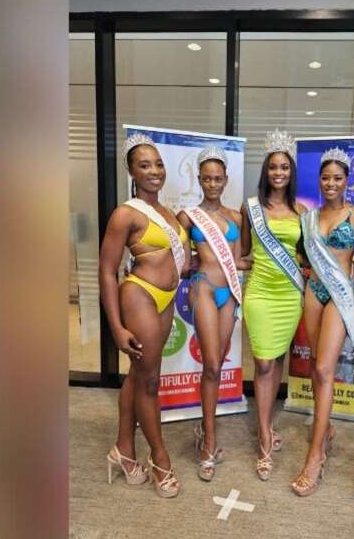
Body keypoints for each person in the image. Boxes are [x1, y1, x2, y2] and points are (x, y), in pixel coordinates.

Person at [99, 133, 191, 498]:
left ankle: (123, 449)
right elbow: (107, 271)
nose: (154, 171)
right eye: (145, 165)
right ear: (131, 171)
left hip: (167, 299)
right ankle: (160, 459)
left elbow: (178, 259)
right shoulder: (125, 213)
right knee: (150, 381)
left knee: (139, 375)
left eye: (158, 164)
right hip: (139, 295)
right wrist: (117, 328)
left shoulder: (167, 212)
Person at [291, 147, 354, 496]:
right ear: (319, 180)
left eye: (338, 178)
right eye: (325, 178)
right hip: (313, 291)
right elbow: (300, 252)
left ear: (347, 181)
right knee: (314, 366)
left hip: (340, 295)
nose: (331, 183)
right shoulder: (307, 218)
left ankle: (315, 455)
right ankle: (326, 430)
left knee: (324, 369)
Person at [176, 146, 250, 481]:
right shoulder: (188, 216)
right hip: (204, 287)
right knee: (209, 365)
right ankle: (209, 440)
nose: (212, 183)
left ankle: (207, 431)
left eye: (218, 178)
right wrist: (185, 267)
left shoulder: (236, 217)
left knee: (217, 366)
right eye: (207, 178)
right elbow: (178, 261)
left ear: (226, 180)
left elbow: (237, 260)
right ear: (199, 179)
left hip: (229, 293)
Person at [240, 129, 307, 481]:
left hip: (289, 295)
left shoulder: (302, 210)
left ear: (291, 172)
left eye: (284, 168)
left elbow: (303, 255)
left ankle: (266, 425)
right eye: (273, 167)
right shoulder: (250, 208)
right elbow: (244, 255)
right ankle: (265, 437)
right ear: (265, 172)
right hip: (262, 293)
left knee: (276, 359)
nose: (278, 173)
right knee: (263, 361)